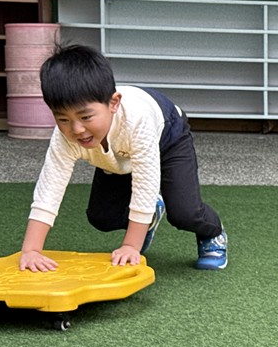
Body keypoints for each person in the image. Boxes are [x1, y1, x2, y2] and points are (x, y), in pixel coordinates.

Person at [18, 43, 228, 272]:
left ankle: (213, 233)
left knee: (184, 213)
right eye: (63, 119)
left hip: (168, 137)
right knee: (102, 217)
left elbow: (145, 182)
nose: (77, 129)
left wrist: (130, 246)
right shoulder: (65, 136)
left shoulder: (137, 121)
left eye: (86, 117)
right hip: (117, 154)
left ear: (113, 103)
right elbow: (50, 187)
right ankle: (150, 215)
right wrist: (31, 250)